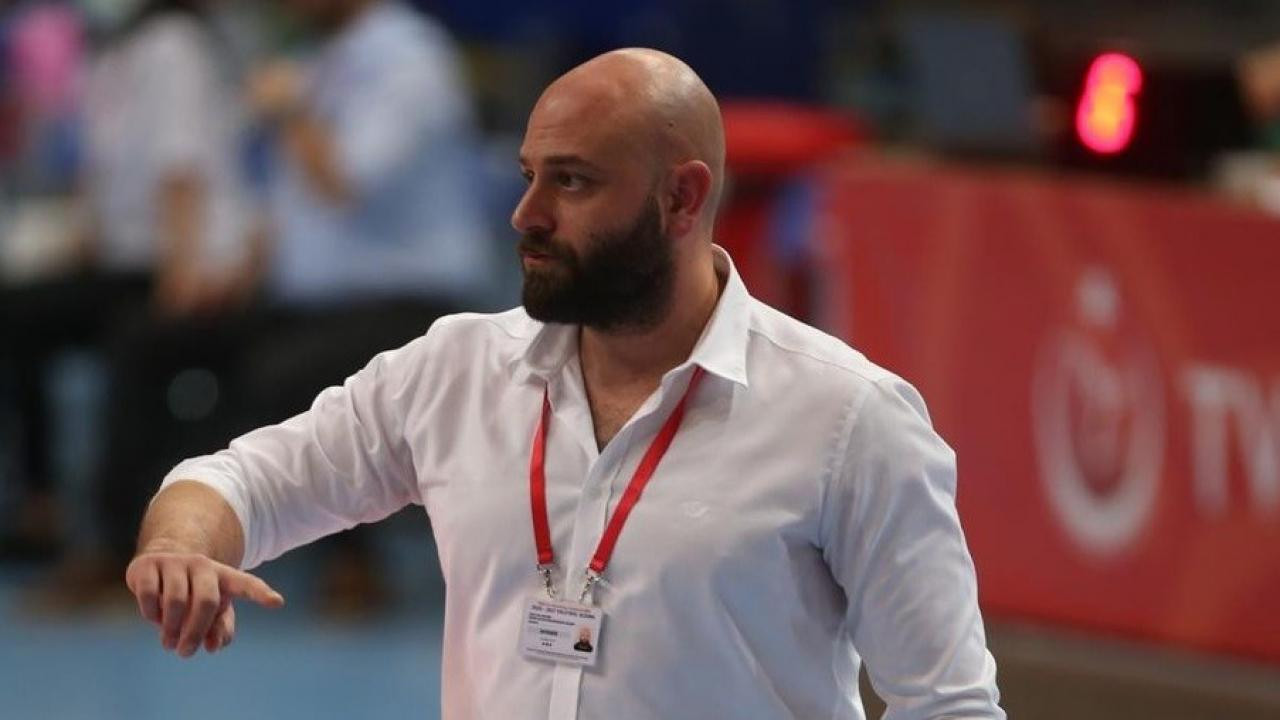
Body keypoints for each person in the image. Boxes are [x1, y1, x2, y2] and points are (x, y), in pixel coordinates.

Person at [126, 48, 1005, 719]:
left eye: (572, 182)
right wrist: (181, 547)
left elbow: (950, 705)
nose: (526, 214)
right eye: (528, 176)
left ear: (681, 199)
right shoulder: (455, 372)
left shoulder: (849, 419)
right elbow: (239, 481)